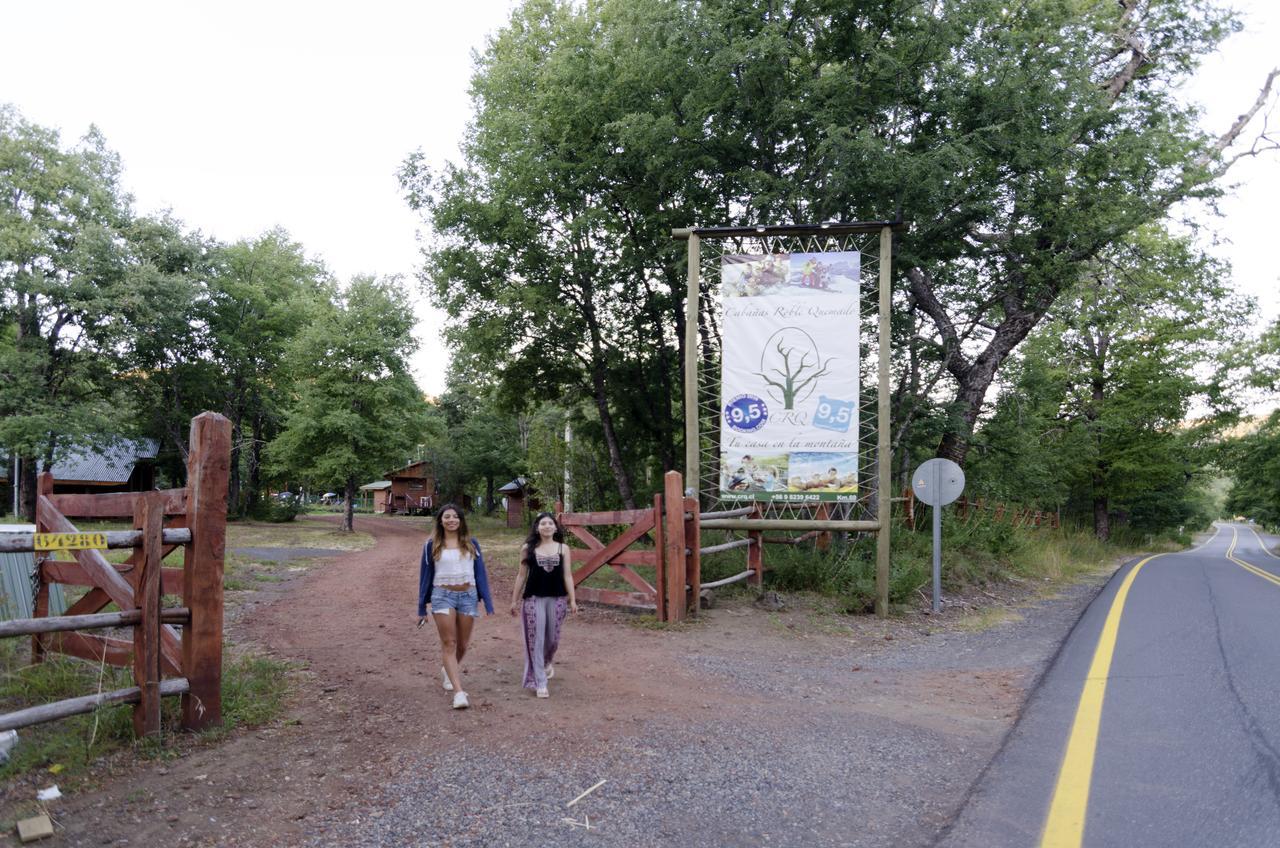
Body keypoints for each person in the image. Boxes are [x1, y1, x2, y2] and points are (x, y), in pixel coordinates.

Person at [417, 503, 494, 709]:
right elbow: (425, 577)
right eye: (447, 517)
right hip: (442, 596)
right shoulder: (431, 545)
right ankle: (459, 692)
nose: (451, 520)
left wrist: (487, 601)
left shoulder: (471, 543)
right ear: (440, 521)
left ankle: (447, 671)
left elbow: (480, 574)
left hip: (468, 596)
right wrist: (421, 608)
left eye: (455, 517)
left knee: (462, 645)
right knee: (449, 643)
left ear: (461, 520)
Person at [509, 512, 577, 698]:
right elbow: (521, 575)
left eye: (550, 523)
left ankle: (546, 663)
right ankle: (540, 681)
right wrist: (514, 600)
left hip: (557, 598)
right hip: (533, 598)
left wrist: (572, 599)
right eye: (542, 523)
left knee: (552, 638)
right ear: (537, 528)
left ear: (555, 527)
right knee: (536, 639)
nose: (546, 526)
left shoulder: (564, 548)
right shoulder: (527, 548)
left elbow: (568, 575)